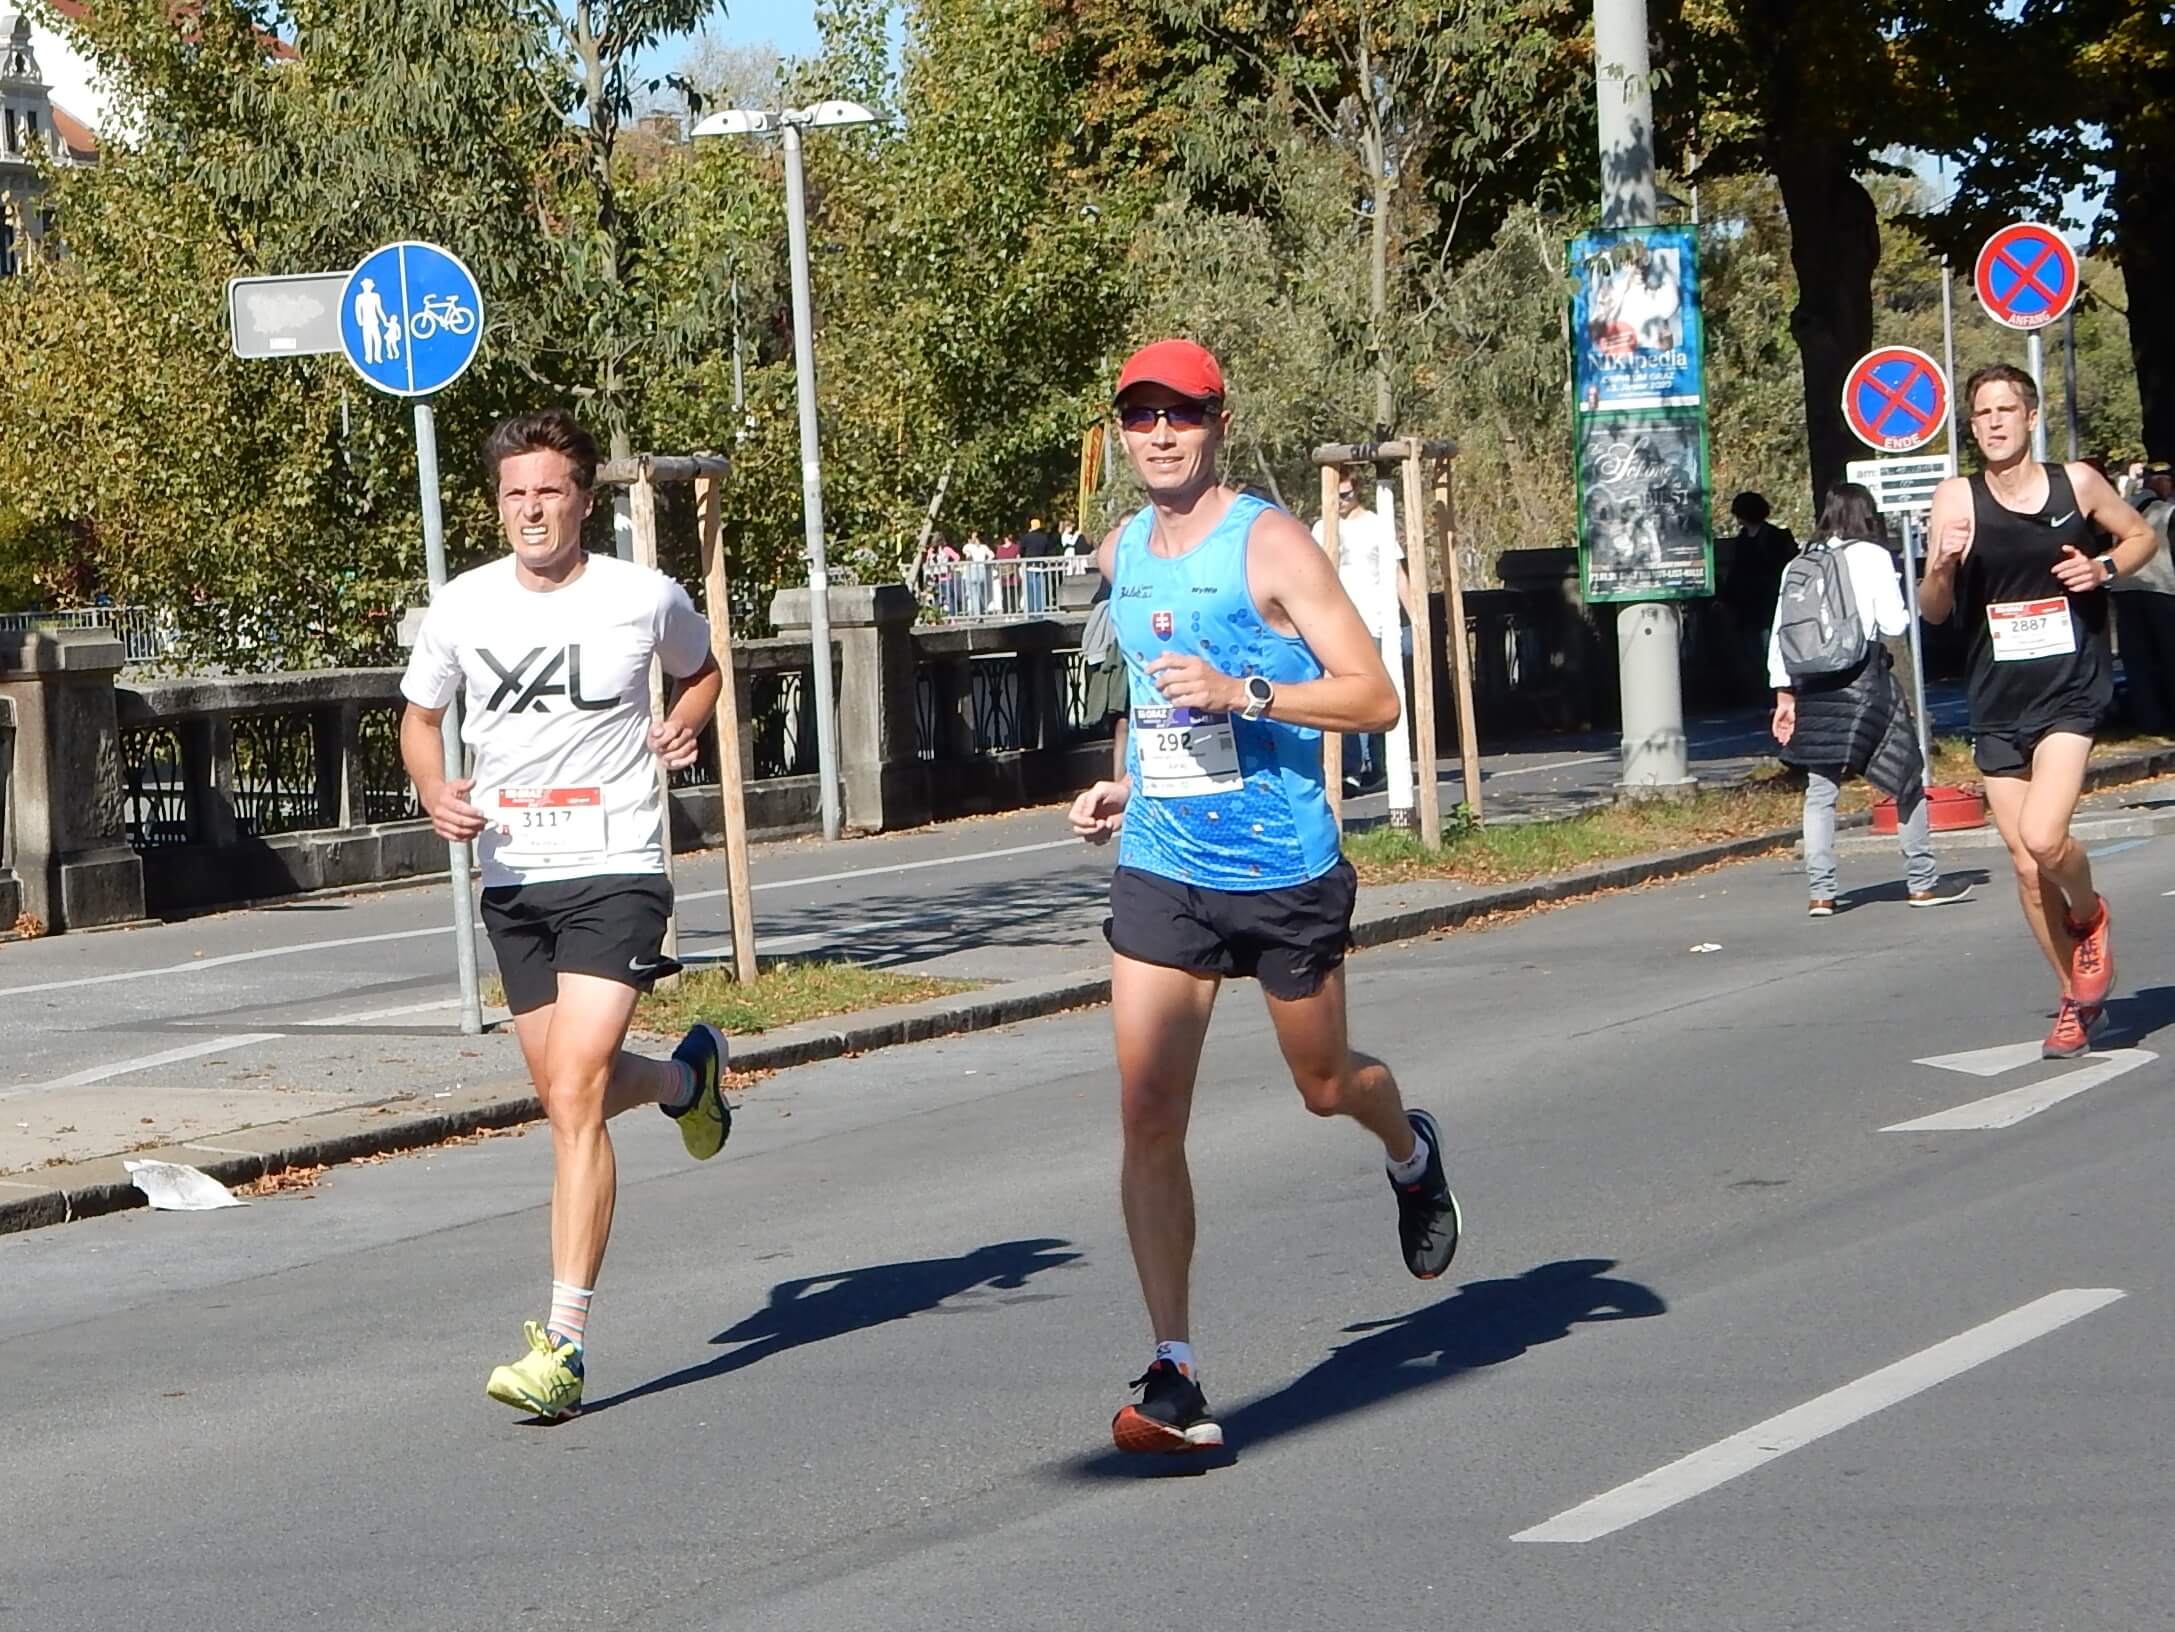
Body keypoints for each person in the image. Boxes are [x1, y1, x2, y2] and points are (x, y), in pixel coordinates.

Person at [1067, 338, 1462, 1455]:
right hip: (1163, 864)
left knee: (1325, 1084)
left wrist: (1247, 688)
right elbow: (1155, 702)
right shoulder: (1123, 551)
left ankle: (1410, 1150)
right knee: (1147, 1110)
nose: (1157, 434)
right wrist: (1124, 783)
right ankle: (1174, 1369)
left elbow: (1375, 698)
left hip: (1281, 871)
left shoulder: (1272, 543)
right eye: (1138, 414)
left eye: (1178, 415)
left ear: (1216, 423)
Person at [399, 408, 734, 1419]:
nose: (531, 510)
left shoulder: (643, 596)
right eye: (514, 494)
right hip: (513, 877)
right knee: (564, 1095)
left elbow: (705, 667)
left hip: (617, 866)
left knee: (577, 1095)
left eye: (548, 491)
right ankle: (687, 1079)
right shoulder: (461, 607)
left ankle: (565, 1346)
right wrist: (432, 789)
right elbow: (419, 720)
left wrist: (681, 722)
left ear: (585, 498)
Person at [1919, 365, 2161, 1058]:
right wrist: (1939, 568)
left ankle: (2088, 915)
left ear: (2029, 418)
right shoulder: (1954, 498)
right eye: (1980, 414)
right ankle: (2072, 997)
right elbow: (1933, 610)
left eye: (2004, 410)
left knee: (2046, 839)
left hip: (2069, 686)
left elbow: (2140, 537)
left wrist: (2103, 569)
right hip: (1996, 697)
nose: (1993, 423)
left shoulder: (2075, 485)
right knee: (2025, 868)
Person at [1768, 483, 1972, 916]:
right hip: (1863, 682)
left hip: (1813, 688)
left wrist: (1785, 695)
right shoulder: (1875, 557)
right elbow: (1894, 623)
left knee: (1820, 790)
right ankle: (1921, 880)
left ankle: (1821, 892)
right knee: (1904, 774)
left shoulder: (1798, 564)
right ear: (1868, 514)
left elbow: (1780, 636)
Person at [1309, 474, 1412, 793]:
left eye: (1346, 495)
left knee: (1378, 693)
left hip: (1375, 619)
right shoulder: (1321, 528)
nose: (1341, 502)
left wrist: (1416, 618)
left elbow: (1397, 573)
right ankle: (1349, 767)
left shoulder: (1375, 525)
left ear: (1356, 492)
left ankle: (1378, 764)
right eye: (1335, 496)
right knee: (1341, 694)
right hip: (1335, 624)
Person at [2110, 466, 2175, 733]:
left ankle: (2148, 719)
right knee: (2169, 656)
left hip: (2124, 591)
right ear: (2161, 484)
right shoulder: (2168, 512)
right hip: (2163, 591)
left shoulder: (2121, 512)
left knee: (2137, 660)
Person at [1721, 491, 1799, 701]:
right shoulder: (1755, 537)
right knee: (1754, 649)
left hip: (1766, 601)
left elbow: (1738, 571)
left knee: (1766, 648)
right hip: (1751, 603)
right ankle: (1766, 691)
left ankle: (1774, 692)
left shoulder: (1773, 537)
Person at [1020, 515, 1059, 613]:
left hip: (1029, 566)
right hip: (1041, 566)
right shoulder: (1044, 537)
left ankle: (1031, 610)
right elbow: (1049, 551)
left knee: (1030, 590)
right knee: (1040, 590)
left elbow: (1021, 550)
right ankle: (1040, 610)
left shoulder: (1026, 537)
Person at [961, 530, 994, 617]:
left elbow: (965, 551)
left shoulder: (969, 546)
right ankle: (981, 610)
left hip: (973, 569)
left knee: (974, 593)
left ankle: (978, 613)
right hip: (982, 569)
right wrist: (986, 562)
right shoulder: (984, 547)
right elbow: (992, 555)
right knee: (978, 592)